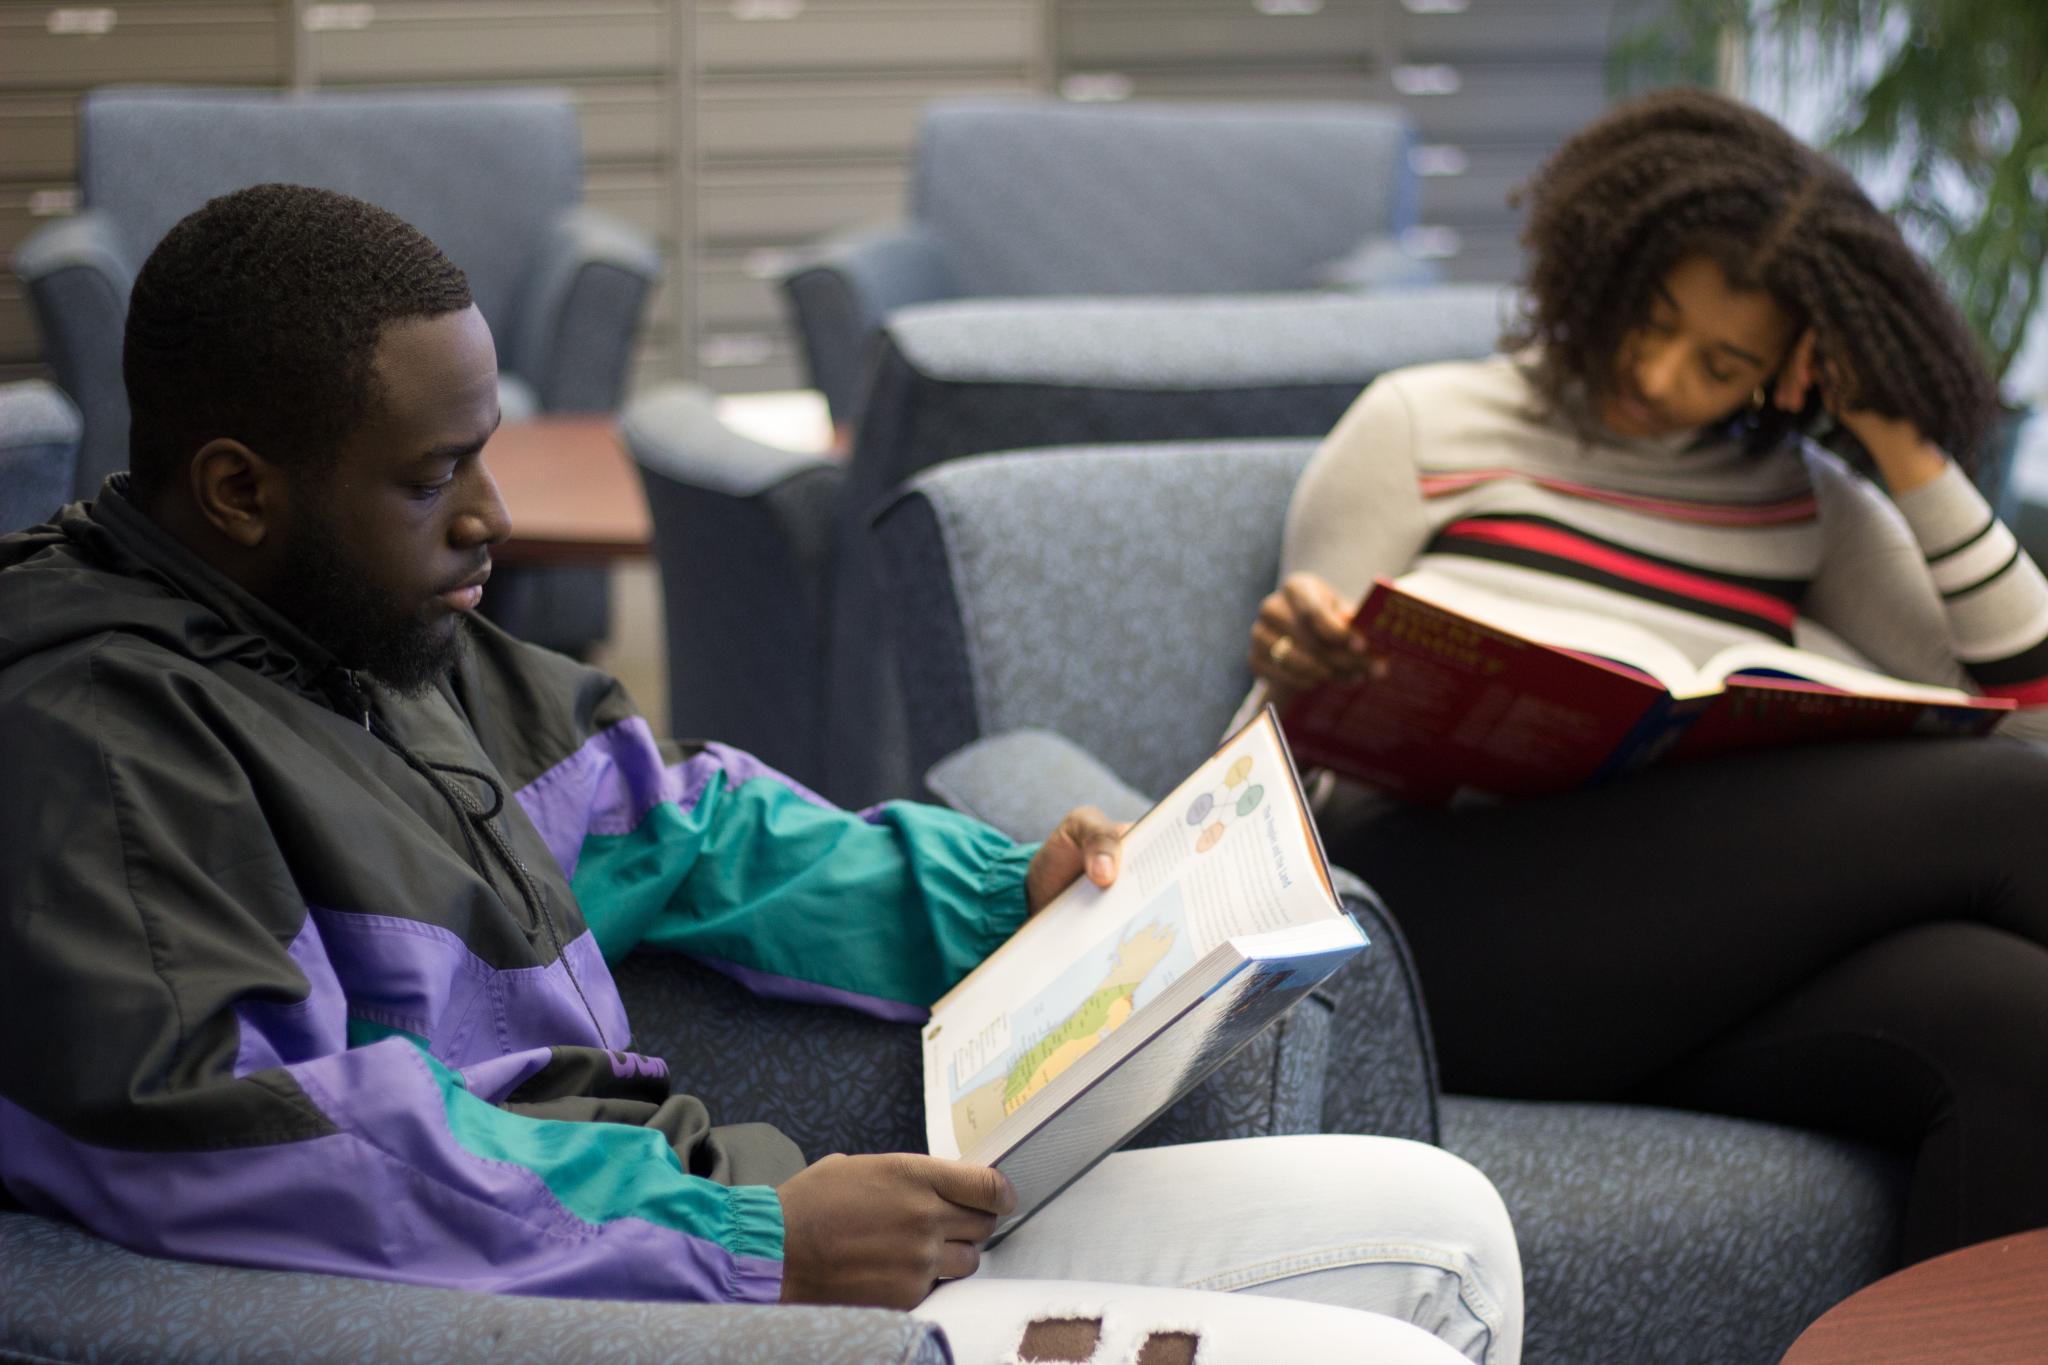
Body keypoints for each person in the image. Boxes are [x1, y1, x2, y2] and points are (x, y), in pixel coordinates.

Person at [0, 183, 1521, 1365]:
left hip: (700, 1242)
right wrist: (749, 1236)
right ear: (239, 490)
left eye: (481, 454)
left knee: (1445, 1229)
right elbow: (260, 1142)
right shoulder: (96, 748)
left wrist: (1004, 895)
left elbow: (685, 821)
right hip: (608, 1310)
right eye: (427, 476)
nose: (490, 516)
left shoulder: (369, 633)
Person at [1241, 85, 2048, 1266]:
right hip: (1445, 925)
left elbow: (2026, 703)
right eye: (1649, 318)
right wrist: (1294, 669)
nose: (1664, 376)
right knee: (2009, 812)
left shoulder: (1805, 503)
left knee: (2015, 1025)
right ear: (1601, 263)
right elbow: (1267, 754)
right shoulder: (1424, 423)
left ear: (1793, 374)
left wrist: (1897, 443)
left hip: (1679, 970)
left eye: (1723, 362)